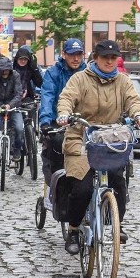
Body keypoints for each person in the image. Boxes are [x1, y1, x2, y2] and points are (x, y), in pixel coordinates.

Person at [55, 39, 140, 255]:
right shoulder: (80, 78)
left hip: (109, 139)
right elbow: (67, 98)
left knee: (118, 181)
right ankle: (74, 229)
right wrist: (64, 114)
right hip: (81, 136)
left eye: (113, 58)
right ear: (95, 58)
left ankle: (117, 223)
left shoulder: (123, 81)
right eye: (105, 57)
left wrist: (138, 114)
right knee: (82, 187)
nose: (109, 61)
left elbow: (133, 100)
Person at [39, 38, 86, 185]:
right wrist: (45, 122)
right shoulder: (53, 73)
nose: (76, 58)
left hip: (82, 123)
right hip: (57, 122)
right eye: (72, 54)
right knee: (56, 151)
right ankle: (54, 189)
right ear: (64, 54)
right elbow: (47, 96)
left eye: (79, 54)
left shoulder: (88, 72)